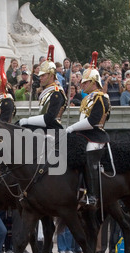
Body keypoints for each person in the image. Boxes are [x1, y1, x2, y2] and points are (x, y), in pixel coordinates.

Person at [66, 61, 111, 208]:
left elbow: (93, 121)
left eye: (85, 83)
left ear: (93, 82)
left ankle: (92, 196)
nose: (82, 85)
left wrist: (72, 127)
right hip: (84, 135)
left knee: (88, 154)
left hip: (96, 135)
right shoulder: (88, 98)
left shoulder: (101, 98)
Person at [19, 46, 67, 131]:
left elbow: (49, 118)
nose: (40, 78)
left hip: (53, 131)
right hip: (44, 129)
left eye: (43, 75)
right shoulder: (47, 92)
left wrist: (28, 120)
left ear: (51, 76)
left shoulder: (56, 93)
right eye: (40, 75)